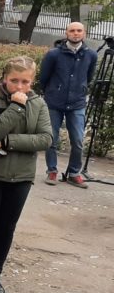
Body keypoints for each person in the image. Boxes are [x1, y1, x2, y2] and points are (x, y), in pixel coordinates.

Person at [0, 56, 52, 293]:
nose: (19, 86)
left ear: (32, 81)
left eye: (25, 82)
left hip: (20, 176)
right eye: (14, 80)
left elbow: (46, 139)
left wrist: (8, 142)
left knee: (6, 227)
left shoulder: (39, 104)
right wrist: (16, 107)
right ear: (5, 79)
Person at [39, 21, 98, 188]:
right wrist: (52, 91)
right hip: (54, 102)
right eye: (72, 30)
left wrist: (81, 89)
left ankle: (73, 173)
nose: (76, 33)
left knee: (78, 140)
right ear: (66, 33)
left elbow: (89, 76)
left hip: (77, 103)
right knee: (52, 138)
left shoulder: (91, 55)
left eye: (79, 30)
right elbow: (44, 77)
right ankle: (52, 170)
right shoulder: (53, 54)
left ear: (84, 33)